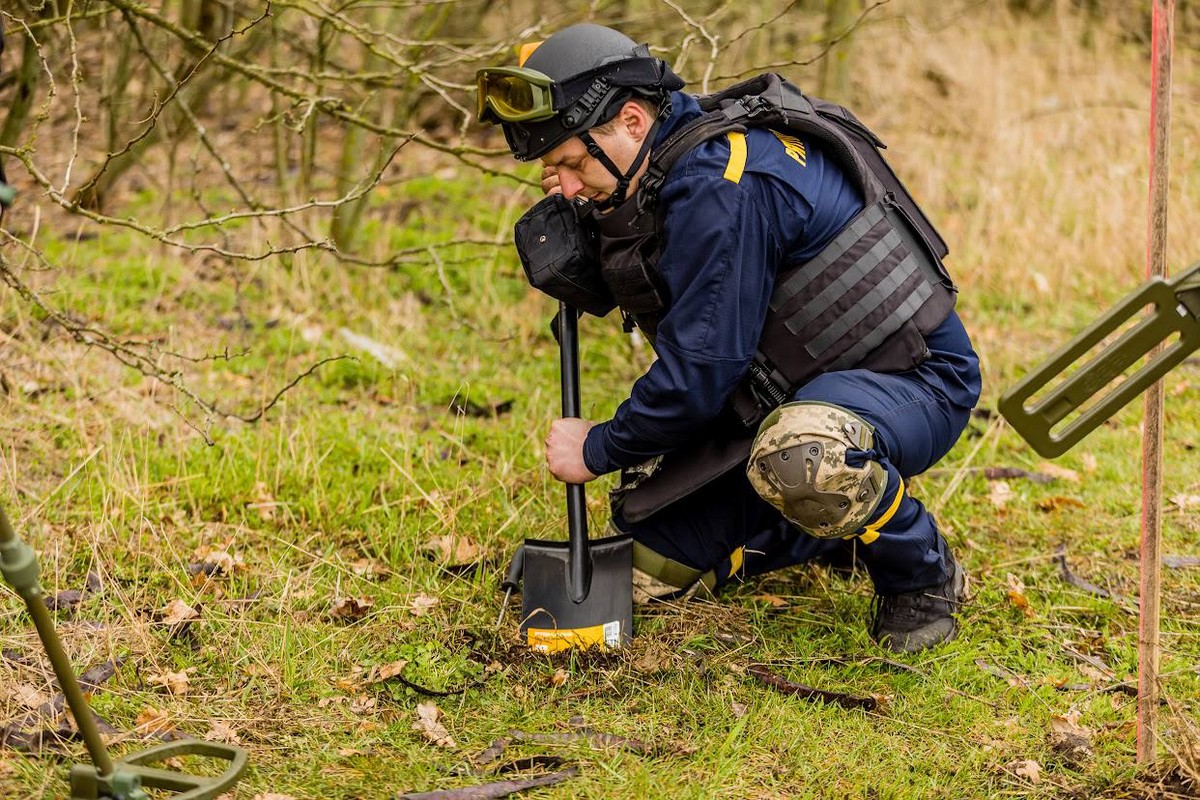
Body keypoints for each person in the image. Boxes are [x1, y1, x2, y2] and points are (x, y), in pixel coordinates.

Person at [477, 23, 982, 653]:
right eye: (556, 174)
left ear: (632, 120)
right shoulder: (664, 167)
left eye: (574, 164)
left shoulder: (724, 185)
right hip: (794, 391)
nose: (570, 186)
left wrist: (601, 447)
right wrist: (592, 237)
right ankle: (832, 532)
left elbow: (701, 372)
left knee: (803, 457)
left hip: (913, 382)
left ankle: (922, 574)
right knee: (655, 554)